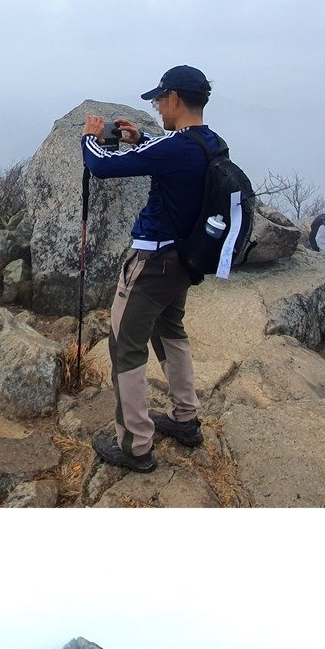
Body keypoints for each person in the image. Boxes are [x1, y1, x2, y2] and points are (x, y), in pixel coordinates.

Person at [80, 65, 219, 473]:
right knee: (171, 330)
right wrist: (142, 140)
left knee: (125, 344)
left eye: (160, 99)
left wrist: (91, 138)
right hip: (184, 261)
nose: (158, 107)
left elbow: (102, 166)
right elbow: (170, 156)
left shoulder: (177, 148)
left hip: (153, 262)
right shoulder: (208, 143)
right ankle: (185, 417)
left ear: (175, 98)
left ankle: (135, 445)